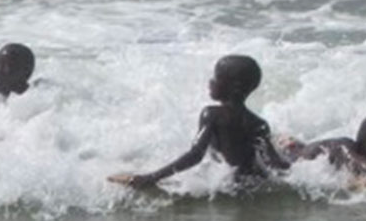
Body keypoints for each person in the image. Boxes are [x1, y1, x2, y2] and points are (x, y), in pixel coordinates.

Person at [122, 54, 292, 189]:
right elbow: (274, 164)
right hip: (254, 183)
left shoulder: (212, 114)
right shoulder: (259, 123)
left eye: (216, 78)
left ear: (234, 86)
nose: (211, 82)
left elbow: (195, 155)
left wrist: (152, 177)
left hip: (231, 186)